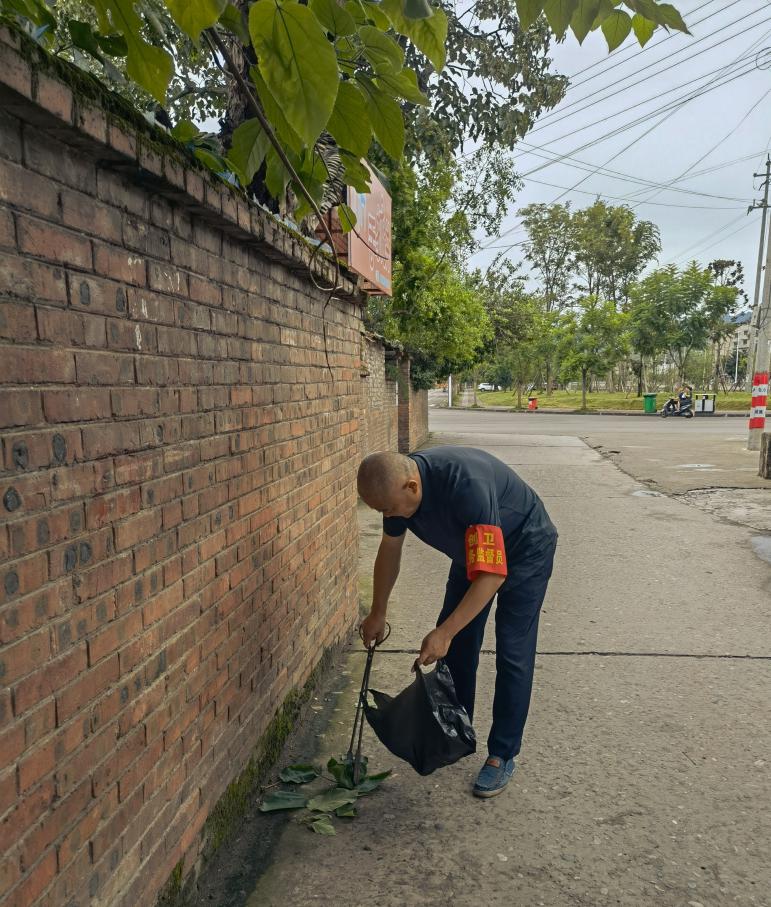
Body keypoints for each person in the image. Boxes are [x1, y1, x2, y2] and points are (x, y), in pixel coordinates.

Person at [357, 447, 558, 798]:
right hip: (473, 552)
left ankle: (502, 754)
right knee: (457, 647)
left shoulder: (466, 486)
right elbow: (390, 549)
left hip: (526, 547)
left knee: (512, 651)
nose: (388, 516)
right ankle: (455, 728)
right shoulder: (397, 492)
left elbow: (492, 575)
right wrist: (378, 611)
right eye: (381, 511)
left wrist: (445, 632)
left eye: (388, 509)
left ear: (412, 487)